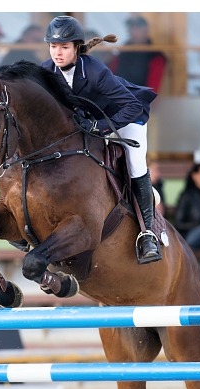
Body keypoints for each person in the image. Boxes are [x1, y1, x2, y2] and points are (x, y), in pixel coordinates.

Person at [42, 15, 161, 264]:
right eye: (53, 47)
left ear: (76, 47)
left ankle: (147, 233)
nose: (58, 53)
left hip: (126, 117)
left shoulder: (95, 70)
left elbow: (130, 106)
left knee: (134, 163)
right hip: (89, 121)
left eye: (64, 47)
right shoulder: (46, 71)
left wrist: (101, 126)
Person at [108, 15, 167, 93]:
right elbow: (111, 71)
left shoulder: (155, 55)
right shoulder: (124, 50)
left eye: (136, 28)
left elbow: (152, 88)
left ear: (145, 30)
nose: (132, 31)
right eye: (131, 28)